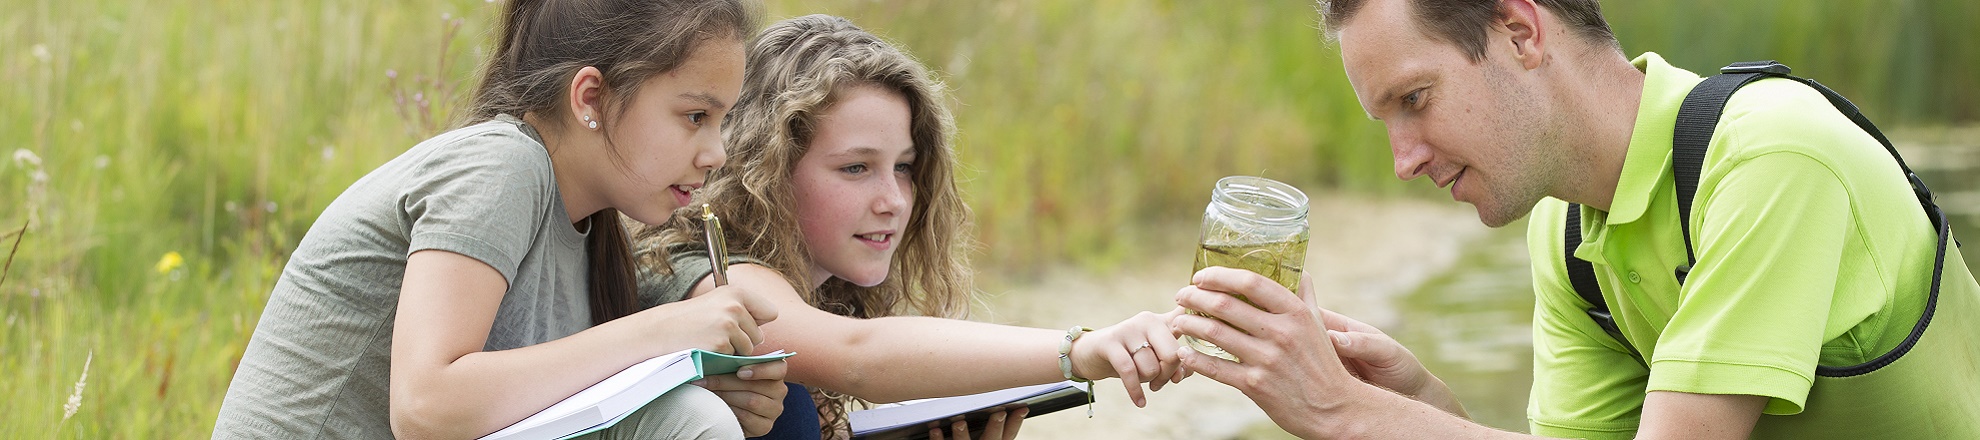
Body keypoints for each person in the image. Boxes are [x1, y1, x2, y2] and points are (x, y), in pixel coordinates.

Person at [1169, 0, 1980, 438]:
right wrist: (1424, 404)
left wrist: (1349, 416)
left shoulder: (1772, 156)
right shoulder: (1568, 235)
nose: (1403, 159)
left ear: (1520, 31)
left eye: (1414, 101)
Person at [212, 1, 793, 438]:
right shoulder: (501, 164)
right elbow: (426, 405)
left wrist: (700, 380)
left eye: (722, 120)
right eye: (695, 115)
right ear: (589, 98)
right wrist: (666, 331)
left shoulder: (590, 227)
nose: (716, 152)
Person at [633, 14, 1188, 440]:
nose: (894, 199)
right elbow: (859, 354)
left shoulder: (808, 291)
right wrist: (1082, 350)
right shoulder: (713, 277)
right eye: (856, 167)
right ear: (766, 168)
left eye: (904, 167)